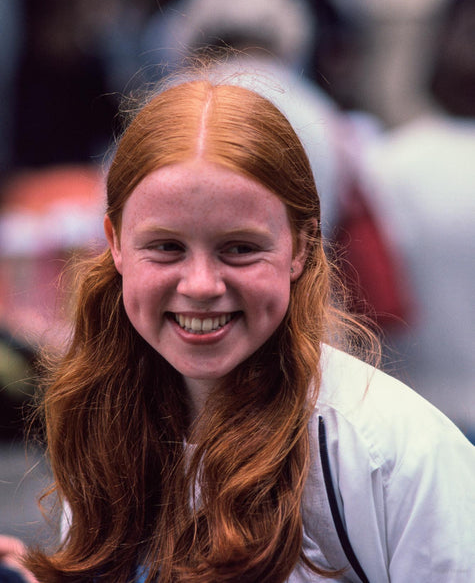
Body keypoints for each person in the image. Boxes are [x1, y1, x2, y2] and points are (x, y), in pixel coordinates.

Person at [17, 70, 475, 582]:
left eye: (240, 248)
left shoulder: (390, 454)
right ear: (116, 243)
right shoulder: (106, 422)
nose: (201, 284)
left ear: (301, 247)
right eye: (166, 247)